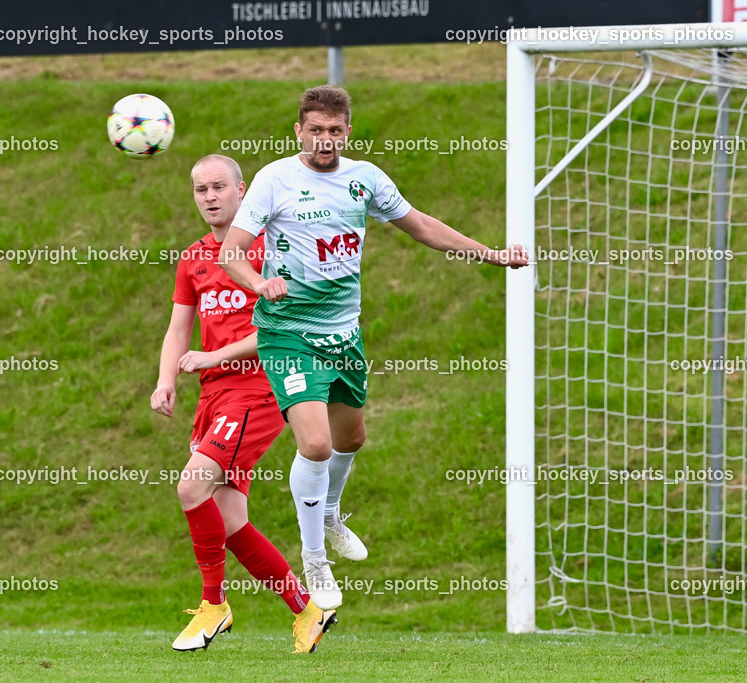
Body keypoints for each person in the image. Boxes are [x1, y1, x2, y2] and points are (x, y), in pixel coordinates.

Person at [220, 86, 530, 610]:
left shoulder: (365, 180)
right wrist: (258, 282)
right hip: (287, 333)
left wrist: (493, 254)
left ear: (347, 131)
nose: (325, 139)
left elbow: (423, 227)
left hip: (343, 335)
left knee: (351, 440)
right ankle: (315, 559)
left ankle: (331, 512)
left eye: (334, 130)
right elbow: (231, 252)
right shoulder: (275, 180)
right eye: (315, 129)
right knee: (315, 445)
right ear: (299, 131)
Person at [151, 154, 336, 654]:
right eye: (199, 190)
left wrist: (214, 354)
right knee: (229, 521)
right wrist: (166, 379)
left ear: (242, 189)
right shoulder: (193, 259)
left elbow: (275, 330)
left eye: (218, 187)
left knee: (192, 486)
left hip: (258, 389)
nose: (209, 197)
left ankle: (214, 605)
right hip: (213, 394)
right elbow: (177, 328)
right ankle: (308, 609)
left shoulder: (272, 250)